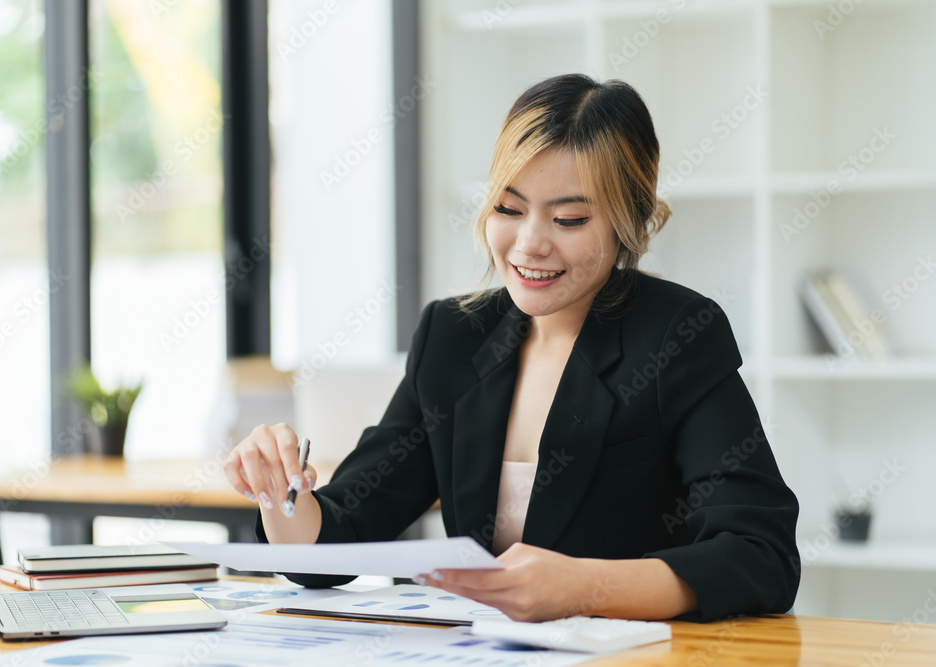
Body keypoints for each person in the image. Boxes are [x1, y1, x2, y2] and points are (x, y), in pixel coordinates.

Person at [223, 73, 800, 623]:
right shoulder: (452, 335)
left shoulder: (678, 333)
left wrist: (585, 587)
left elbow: (758, 554)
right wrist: (282, 494)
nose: (529, 245)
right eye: (508, 208)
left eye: (569, 218)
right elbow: (340, 535)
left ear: (627, 222)